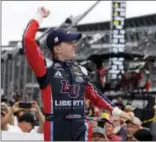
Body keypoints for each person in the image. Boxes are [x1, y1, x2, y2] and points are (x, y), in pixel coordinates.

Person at [23, 6, 133, 141]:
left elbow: (95, 96)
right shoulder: (46, 67)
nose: (74, 45)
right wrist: (38, 16)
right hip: (57, 128)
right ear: (57, 48)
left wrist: (117, 112)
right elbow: (28, 40)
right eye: (69, 42)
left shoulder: (81, 70)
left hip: (80, 128)